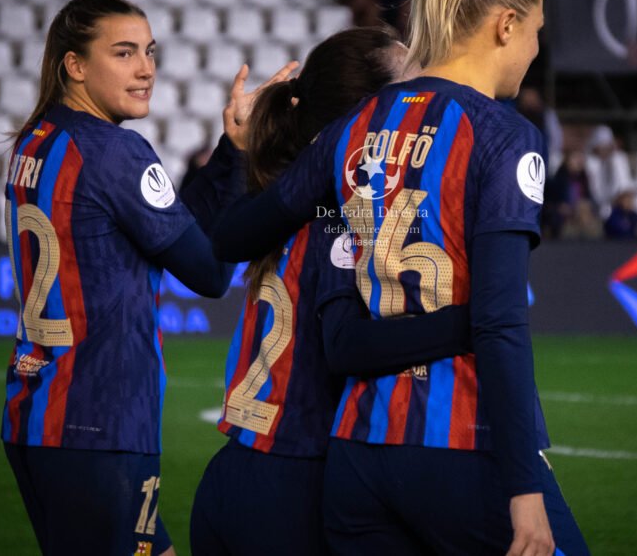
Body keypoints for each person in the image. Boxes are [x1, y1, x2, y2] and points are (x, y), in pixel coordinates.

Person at [211, 0, 589, 556]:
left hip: (358, 456)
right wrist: (524, 487)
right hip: (461, 443)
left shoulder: (355, 126)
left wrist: (238, 151)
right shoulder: (505, 136)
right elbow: (498, 323)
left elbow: (233, 236)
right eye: (535, 32)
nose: (535, 49)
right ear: (505, 25)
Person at [0, 0, 275, 556]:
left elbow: (169, 227)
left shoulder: (37, 139)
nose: (146, 69)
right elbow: (209, 272)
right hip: (99, 420)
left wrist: (230, 152)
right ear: (75, 65)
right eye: (123, 53)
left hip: (37, 413)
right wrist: (250, 167)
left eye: (150, 52)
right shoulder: (116, 151)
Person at [189, 27, 473, 555]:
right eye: (410, 86)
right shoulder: (343, 218)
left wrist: (234, 151)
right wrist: (474, 322)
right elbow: (347, 347)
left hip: (230, 477)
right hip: (296, 487)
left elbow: (212, 237)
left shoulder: (277, 200)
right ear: (370, 114)